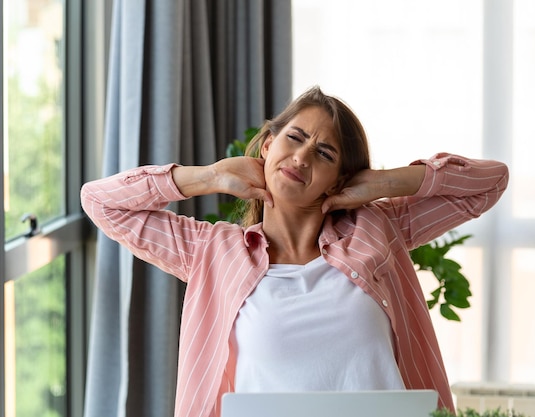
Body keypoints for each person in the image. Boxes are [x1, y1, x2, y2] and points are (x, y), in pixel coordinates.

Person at [81, 86, 509, 417]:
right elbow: (101, 202)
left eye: (324, 154)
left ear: (339, 180)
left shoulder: (378, 231)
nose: (302, 157)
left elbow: (489, 183)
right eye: (295, 138)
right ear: (267, 146)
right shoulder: (213, 253)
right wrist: (209, 176)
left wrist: (382, 183)